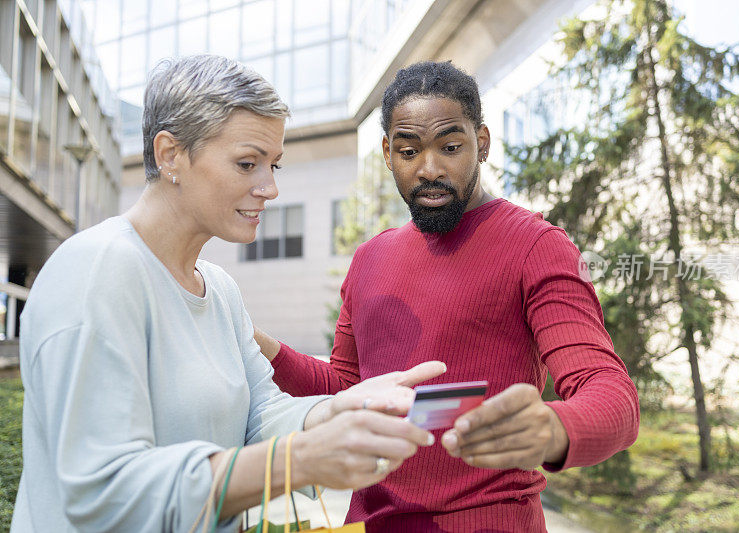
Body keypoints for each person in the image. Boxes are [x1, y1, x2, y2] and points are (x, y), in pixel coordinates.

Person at [10, 55, 447, 533]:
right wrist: (298, 459)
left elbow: (260, 414)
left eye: (273, 164)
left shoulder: (218, 289)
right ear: (170, 154)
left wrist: (342, 407)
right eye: (247, 163)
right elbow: (107, 491)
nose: (271, 188)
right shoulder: (95, 274)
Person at [253, 61, 640, 532]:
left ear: (482, 143)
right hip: (367, 524)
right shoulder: (369, 259)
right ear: (387, 153)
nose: (429, 169)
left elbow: (612, 394)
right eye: (409, 151)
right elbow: (347, 393)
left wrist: (555, 429)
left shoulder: (537, 246)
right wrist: (258, 345)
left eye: (450, 147)